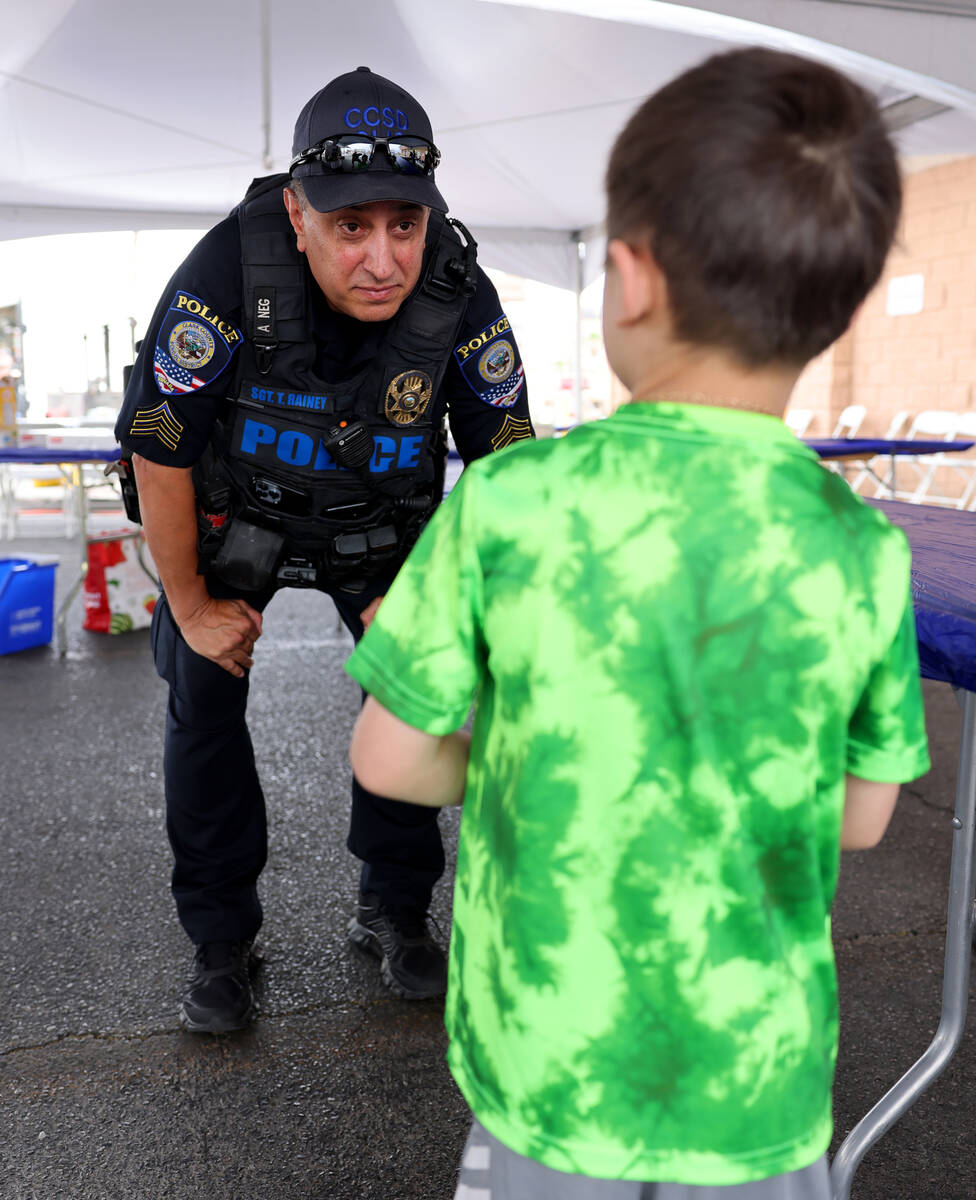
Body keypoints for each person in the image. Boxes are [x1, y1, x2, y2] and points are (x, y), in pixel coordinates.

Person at [345, 46, 931, 1200]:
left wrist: (542, 754)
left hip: (552, 1066)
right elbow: (862, 821)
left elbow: (390, 755)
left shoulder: (513, 503)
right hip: (757, 1086)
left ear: (632, 275)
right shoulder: (862, 548)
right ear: (836, 301)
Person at [114, 66, 534, 1034]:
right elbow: (160, 440)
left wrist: (447, 605)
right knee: (201, 688)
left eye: (404, 223)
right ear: (299, 214)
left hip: (383, 530)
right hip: (236, 523)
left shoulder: (458, 293)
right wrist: (186, 601)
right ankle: (222, 939)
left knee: (414, 684)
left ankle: (394, 904)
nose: (383, 257)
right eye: (352, 227)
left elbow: (514, 473)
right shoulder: (225, 269)